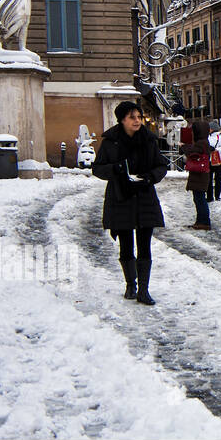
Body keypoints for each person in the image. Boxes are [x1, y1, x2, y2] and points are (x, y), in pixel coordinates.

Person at [94, 101, 169, 305]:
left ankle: (144, 290)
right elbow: (97, 168)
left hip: (144, 196)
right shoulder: (110, 142)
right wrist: (115, 169)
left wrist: (150, 177)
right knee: (126, 245)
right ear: (122, 120)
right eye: (132, 117)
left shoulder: (149, 140)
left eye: (139, 116)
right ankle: (130, 285)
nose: (137, 121)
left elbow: (162, 165)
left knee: (144, 245)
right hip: (121, 197)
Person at [181, 120, 213, 230]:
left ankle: (204, 222)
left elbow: (192, 153)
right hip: (200, 174)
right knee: (198, 199)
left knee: (200, 199)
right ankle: (200, 221)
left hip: (200, 175)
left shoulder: (201, 143)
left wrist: (184, 146)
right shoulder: (204, 141)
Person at [206, 120, 221, 202]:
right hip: (209, 160)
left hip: (219, 160)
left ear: (212, 129)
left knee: (218, 179)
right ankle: (209, 197)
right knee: (208, 179)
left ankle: (217, 196)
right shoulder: (207, 136)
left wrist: (215, 149)